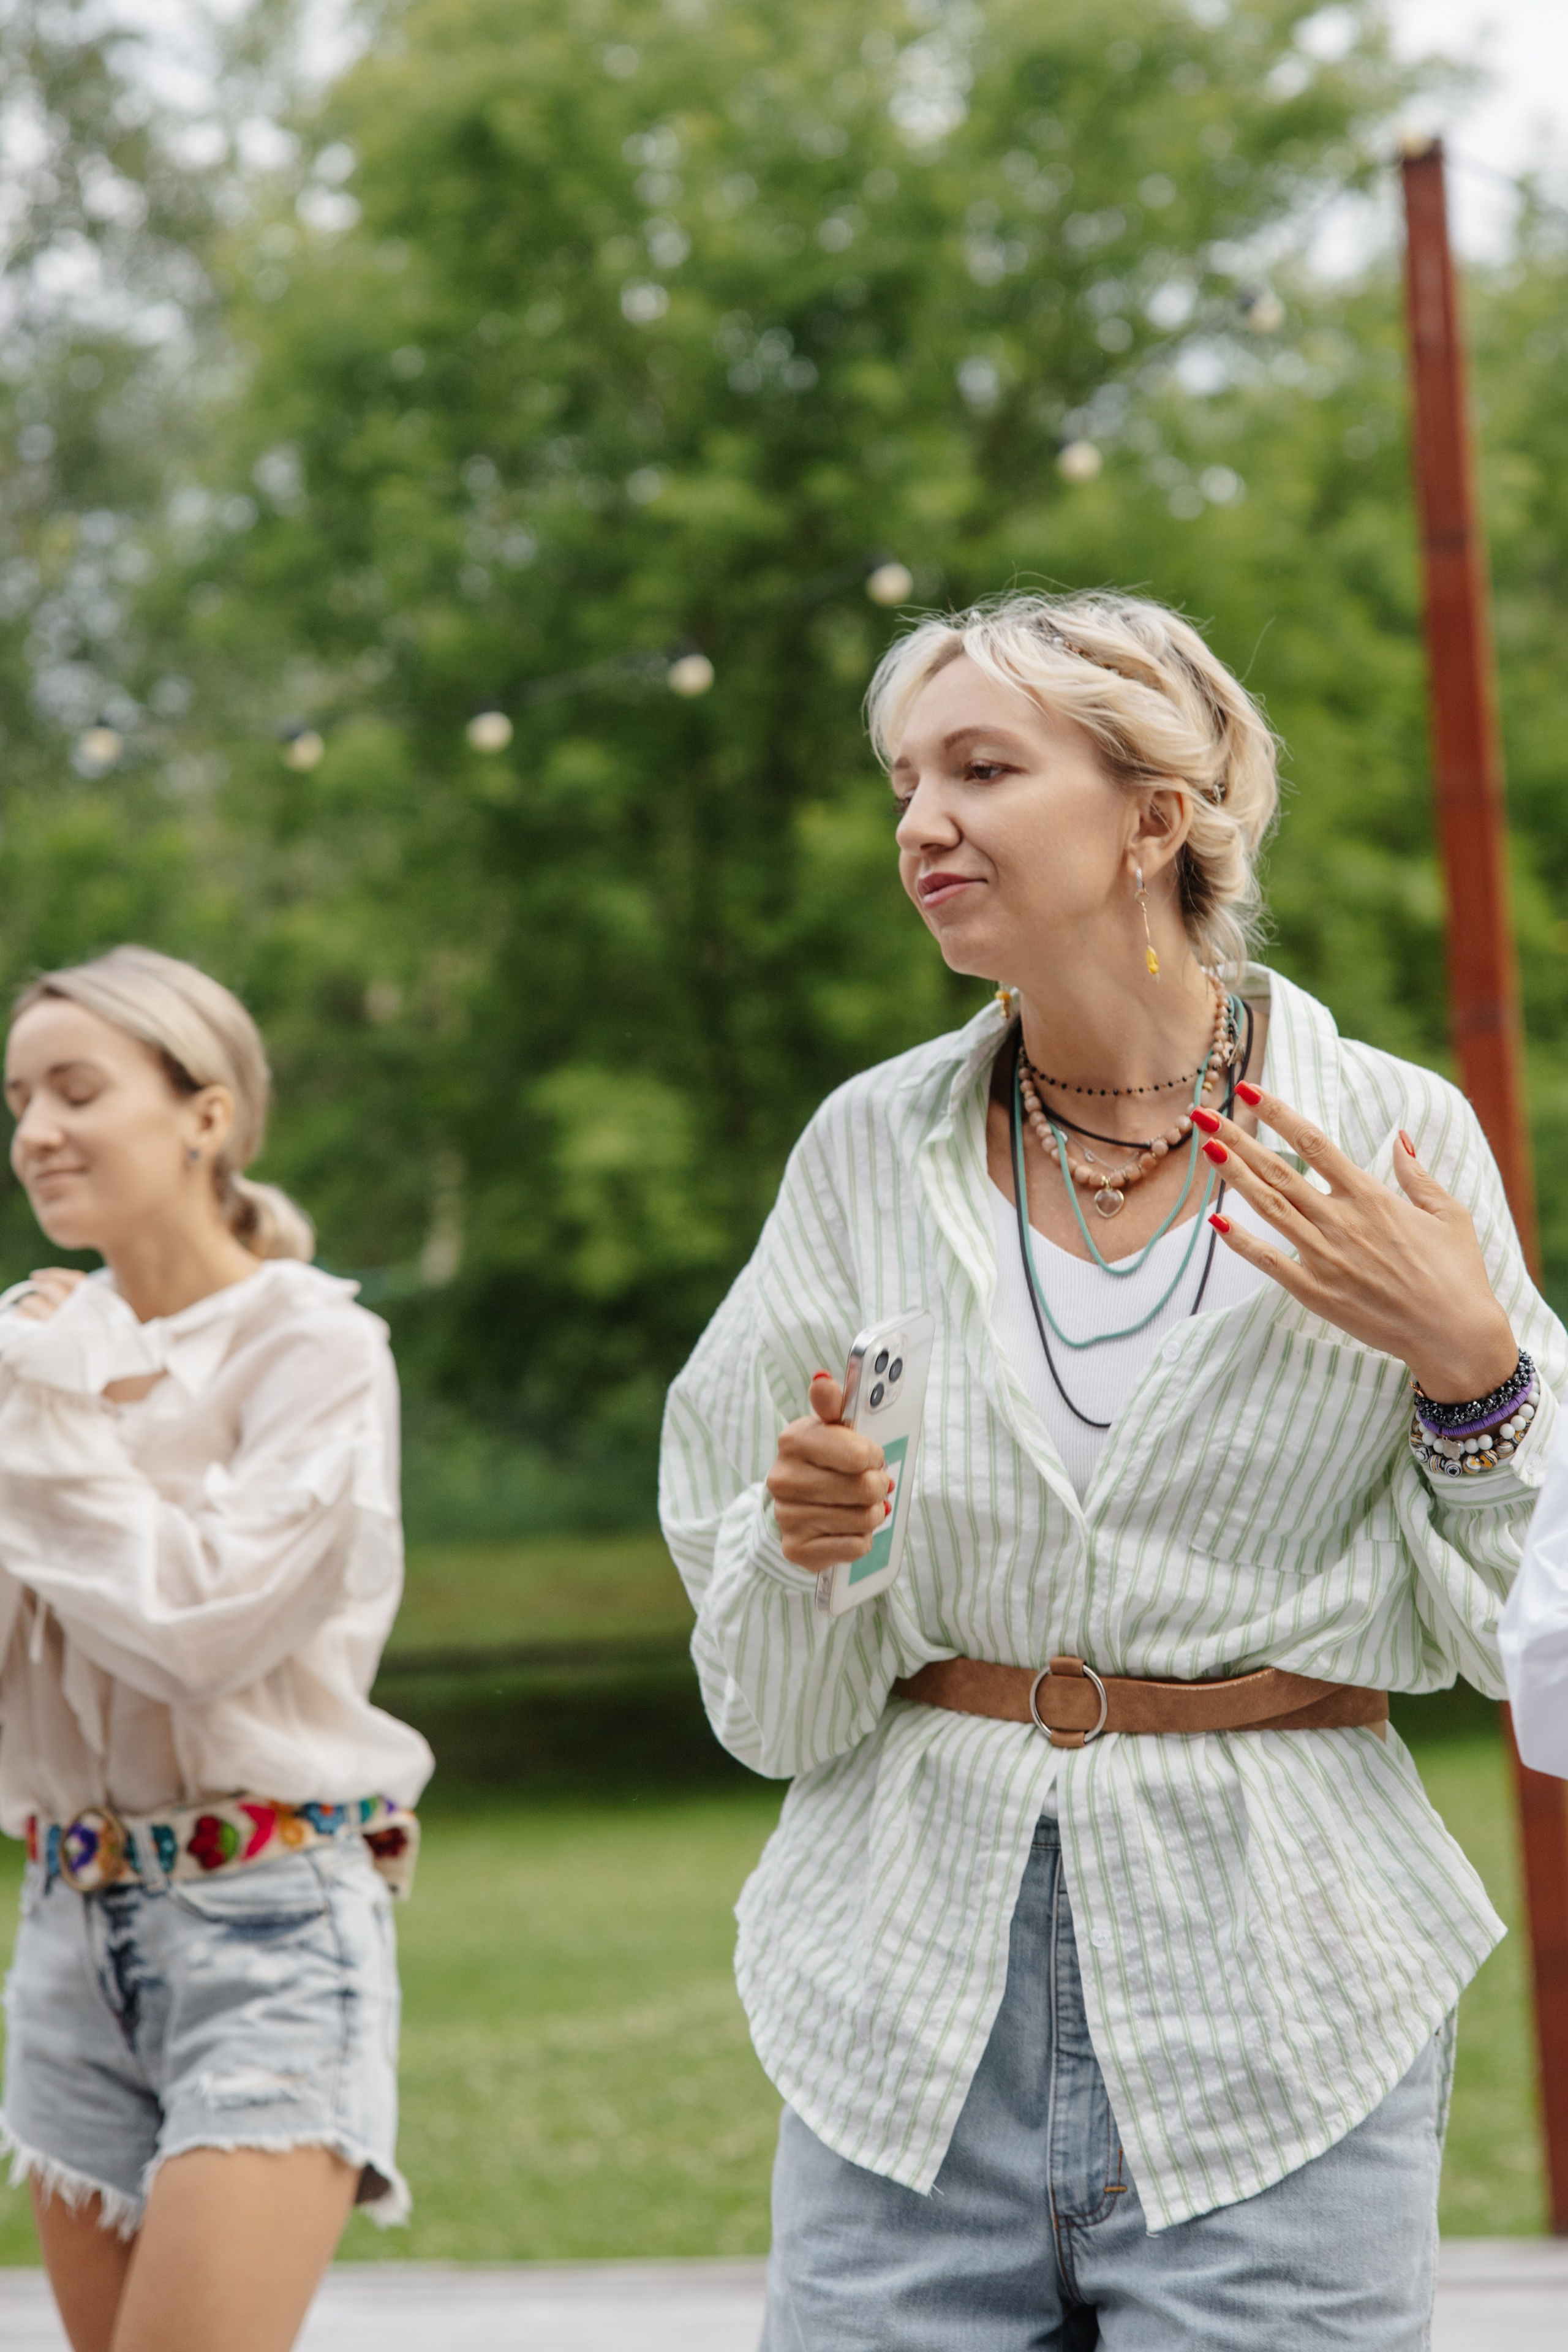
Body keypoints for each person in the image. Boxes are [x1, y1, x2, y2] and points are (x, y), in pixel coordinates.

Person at [660, 592, 1564, 2350]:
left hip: (1284, 2000)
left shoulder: (1393, 1137)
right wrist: (808, 1547)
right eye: (907, 778)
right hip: (905, 2006)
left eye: (985, 768)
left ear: (1156, 815)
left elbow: (1510, 1629)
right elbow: (771, 1700)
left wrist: (1474, 1372)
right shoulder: (865, 1148)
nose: (923, 821)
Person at [0, 945, 431, 2352]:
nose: (36, 1132)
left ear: (206, 1115)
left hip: (266, 1925)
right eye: (19, 1098)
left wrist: (50, 1405)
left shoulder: (313, 1349)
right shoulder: (33, 1352)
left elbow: (200, 1627)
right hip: (67, 1931)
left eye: (77, 1089)